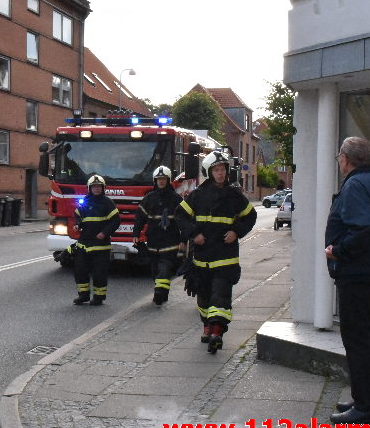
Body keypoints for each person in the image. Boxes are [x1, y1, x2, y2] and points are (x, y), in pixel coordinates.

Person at [326, 137, 370, 426]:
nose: (339, 161)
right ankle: (363, 396)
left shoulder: (355, 186)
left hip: (357, 274)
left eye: (339, 156)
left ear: (345, 158)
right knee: (364, 337)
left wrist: (338, 251)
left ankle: (366, 407)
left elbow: (365, 228)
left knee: (358, 339)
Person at [175, 150, 256, 354]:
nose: (221, 173)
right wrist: (194, 235)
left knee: (221, 295)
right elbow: (180, 215)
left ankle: (217, 333)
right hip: (202, 258)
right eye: (217, 170)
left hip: (225, 257)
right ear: (209, 172)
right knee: (203, 297)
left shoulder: (234, 195)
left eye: (223, 170)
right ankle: (207, 326)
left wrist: (236, 232)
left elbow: (250, 216)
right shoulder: (198, 195)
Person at [132, 166, 185, 305]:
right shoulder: (149, 198)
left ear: (168, 180)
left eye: (163, 179)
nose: (161, 182)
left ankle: (159, 293)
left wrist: (184, 239)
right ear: (155, 181)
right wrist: (136, 234)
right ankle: (163, 292)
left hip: (170, 241)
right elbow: (140, 217)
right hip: (153, 242)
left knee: (165, 268)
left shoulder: (175, 199)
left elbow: (184, 220)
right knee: (155, 270)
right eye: (159, 179)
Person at [72, 174, 120, 306]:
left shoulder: (107, 203)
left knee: (99, 273)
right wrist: (77, 224)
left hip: (101, 246)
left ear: (103, 188)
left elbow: (116, 220)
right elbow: (77, 215)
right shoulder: (85, 202)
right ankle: (83, 295)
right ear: (89, 188)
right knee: (80, 270)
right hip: (84, 244)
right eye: (94, 187)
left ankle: (99, 297)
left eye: (99, 187)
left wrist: (104, 233)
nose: (97, 189)